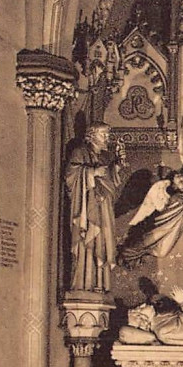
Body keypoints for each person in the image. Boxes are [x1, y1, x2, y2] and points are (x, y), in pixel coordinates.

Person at [64, 124, 124, 292]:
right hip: (87, 207)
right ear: (92, 135)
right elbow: (70, 175)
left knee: (103, 242)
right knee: (88, 240)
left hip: (104, 207)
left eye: (107, 135)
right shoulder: (80, 152)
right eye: (103, 134)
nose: (107, 138)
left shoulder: (105, 157)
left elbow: (110, 180)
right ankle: (84, 284)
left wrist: (116, 166)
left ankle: (101, 284)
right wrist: (92, 172)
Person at [119, 166, 183, 263]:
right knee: (147, 241)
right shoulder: (171, 194)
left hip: (176, 226)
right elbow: (161, 205)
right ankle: (125, 254)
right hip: (162, 223)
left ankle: (136, 255)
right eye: (178, 176)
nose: (182, 179)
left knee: (162, 252)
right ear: (173, 183)